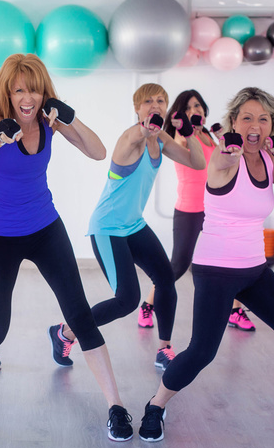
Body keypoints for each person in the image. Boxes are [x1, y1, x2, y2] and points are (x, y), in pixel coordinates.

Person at [0, 54, 134, 442]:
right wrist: (4, 132)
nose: (26, 97)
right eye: (18, 90)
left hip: (45, 228)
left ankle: (115, 407)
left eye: (33, 88)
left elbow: (99, 152)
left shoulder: (50, 121)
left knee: (80, 316)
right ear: (8, 93)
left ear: (43, 90)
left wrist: (69, 117)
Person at [138, 87, 274, 442]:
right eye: (246, 118)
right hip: (214, 270)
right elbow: (221, 162)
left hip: (255, 270)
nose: (255, 125)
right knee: (202, 352)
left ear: (272, 125)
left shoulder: (271, 161)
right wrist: (229, 150)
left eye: (263, 119)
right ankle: (156, 405)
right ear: (233, 123)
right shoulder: (222, 157)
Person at [47, 84, 205, 371]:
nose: (154, 104)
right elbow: (139, 133)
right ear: (137, 108)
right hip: (107, 227)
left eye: (160, 100)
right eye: (147, 101)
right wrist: (145, 129)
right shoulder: (130, 138)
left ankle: (164, 349)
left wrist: (189, 134)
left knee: (166, 280)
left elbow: (197, 162)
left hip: (133, 225)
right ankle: (65, 332)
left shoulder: (163, 139)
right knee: (127, 300)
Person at [138, 90, 256, 333]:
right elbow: (191, 153)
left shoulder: (209, 136)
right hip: (190, 208)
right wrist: (190, 130)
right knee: (179, 264)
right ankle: (147, 306)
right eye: (191, 107)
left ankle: (235, 310)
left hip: (216, 208)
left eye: (199, 105)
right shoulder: (182, 137)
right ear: (182, 112)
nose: (197, 110)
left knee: (233, 259)